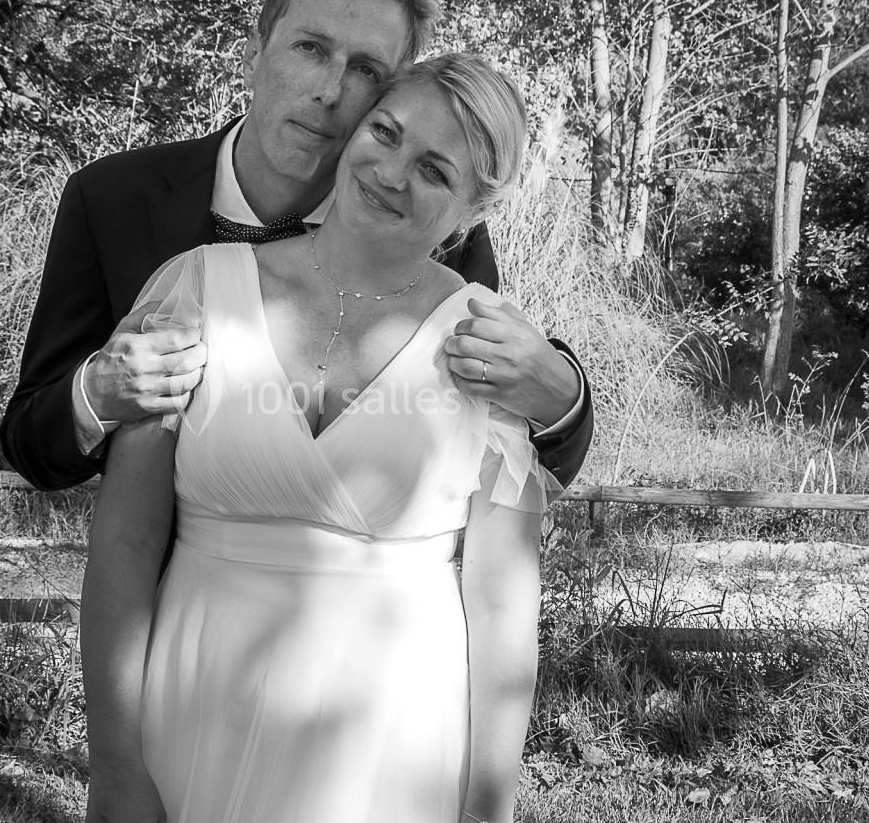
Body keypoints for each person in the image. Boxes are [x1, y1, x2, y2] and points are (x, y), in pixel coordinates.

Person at [83, 52, 557, 823]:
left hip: (393, 744)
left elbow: (503, 603)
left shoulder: (487, 347)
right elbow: (126, 543)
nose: (391, 173)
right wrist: (115, 764)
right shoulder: (198, 288)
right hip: (194, 707)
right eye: (386, 132)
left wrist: (487, 805)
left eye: (435, 170)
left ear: (473, 210)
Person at [0, 0, 593, 497]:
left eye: (365, 70)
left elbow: (508, 460)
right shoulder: (111, 200)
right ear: (255, 50)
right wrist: (97, 394)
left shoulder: (435, 235)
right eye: (311, 48)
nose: (330, 91)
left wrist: (560, 395)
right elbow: (30, 446)